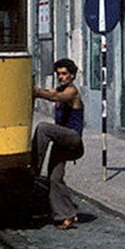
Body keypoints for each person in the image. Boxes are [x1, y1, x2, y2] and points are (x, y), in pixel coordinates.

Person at [33, 57, 85, 230]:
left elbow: (54, 96)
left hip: (73, 138)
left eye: (64, 74)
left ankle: (33, 168)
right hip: (60, 142)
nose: (61, 77)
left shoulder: (72, 92)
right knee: (54, 178)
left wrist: (35, 90)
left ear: (72, 75)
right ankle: (67, 215)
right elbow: (52, 92)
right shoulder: (59, 89)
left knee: (43, 128)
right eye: (59, 74)